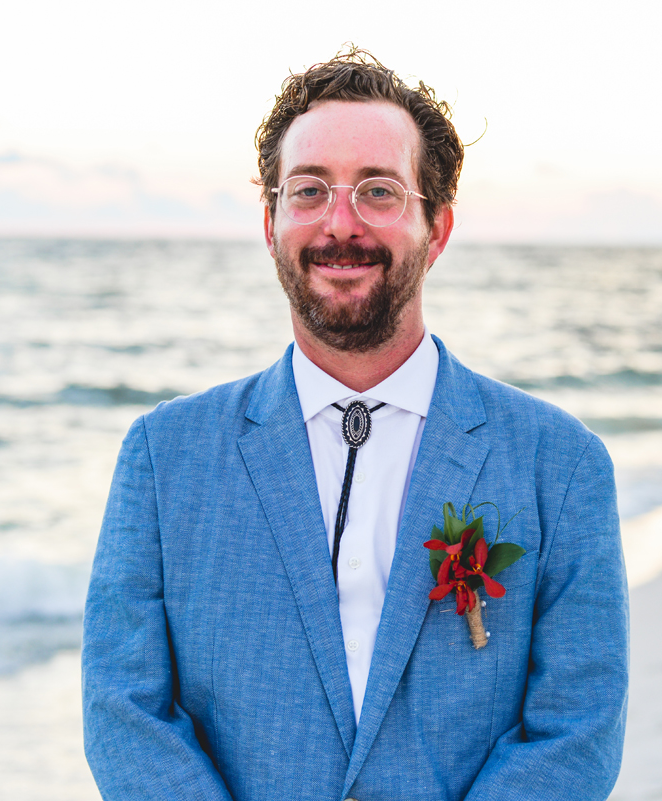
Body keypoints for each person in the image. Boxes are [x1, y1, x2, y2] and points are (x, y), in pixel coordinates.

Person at [82, 47, 628, 801]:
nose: (341, 223)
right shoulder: (162, 457)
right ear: (270, 222)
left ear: (435, 228)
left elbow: (578, 730)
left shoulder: (560, 464)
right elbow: (123, 710)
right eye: (308, 191)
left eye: (378, 191)